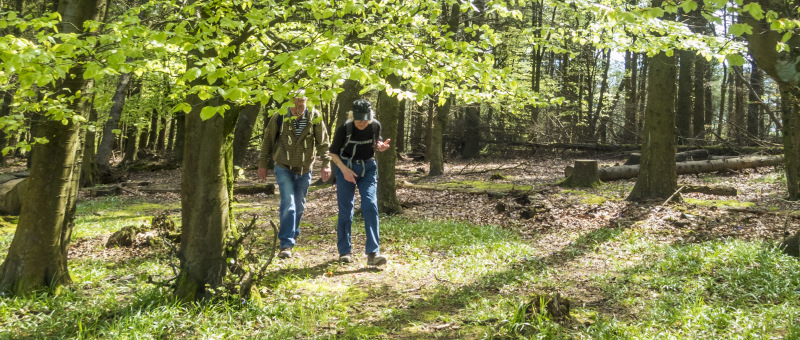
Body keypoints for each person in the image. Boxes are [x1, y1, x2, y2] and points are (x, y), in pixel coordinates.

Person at [258, 91, 331, 259]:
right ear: (289, 103)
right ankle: (286, 243)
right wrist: (263, 163)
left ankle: (292, 232)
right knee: (288, 203)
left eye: (302, 104)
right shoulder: (279, 116)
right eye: (295, 104)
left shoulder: (314, 116)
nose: (299, 108)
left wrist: (326, 164)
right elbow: (268, 140)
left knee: (299, 206)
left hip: (305, 168)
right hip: (283, 166)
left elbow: (323, 142)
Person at [328, 98, 391, 266]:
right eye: (358, 119)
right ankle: (344, 252)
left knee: (370, 205)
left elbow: (375, 143)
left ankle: (373, 253)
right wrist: (344, 170)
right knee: (346, 209)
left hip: (368, 169)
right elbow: (333, 153)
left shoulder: (375, 126)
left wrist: (380, 146)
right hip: (345, 168)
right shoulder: (344, 129)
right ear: (352, 117)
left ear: (370, 117)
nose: (362, 123)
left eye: (365, 119)